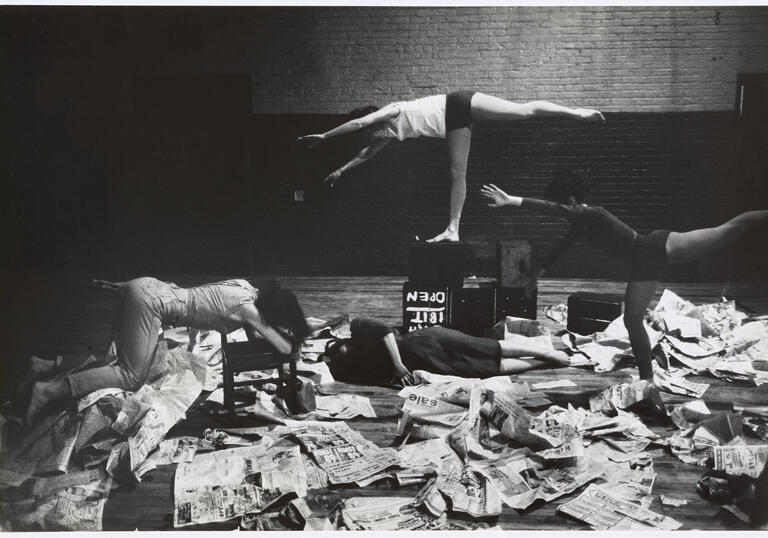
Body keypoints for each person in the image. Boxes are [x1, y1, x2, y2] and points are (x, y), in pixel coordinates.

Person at [481, 172, 768, 380]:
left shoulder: (594, 213)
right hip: (647, 260)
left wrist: (512, 200)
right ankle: (647, 380)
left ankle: (647, 379)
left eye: (565, 207)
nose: (564, 214)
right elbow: (561, 248)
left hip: (659, 245)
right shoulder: (582, 224)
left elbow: (554, 209)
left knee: (734, 227)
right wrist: (537, 276)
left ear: (571, 200)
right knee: (632, 320)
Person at [297, 91, 605, 243]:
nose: (371, 135)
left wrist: (325, 135)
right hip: (452, 125)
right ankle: (453, 229)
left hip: (457, 104)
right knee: (457, 173)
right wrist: (341, 170)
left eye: (370, 131)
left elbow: (362, 122)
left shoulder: (390, 114)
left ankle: (576, 113)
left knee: (523, 113)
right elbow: (366, 154)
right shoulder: (387, 135)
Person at [26, 277, 311, 422]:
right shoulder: (249, 311)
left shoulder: (244, 286)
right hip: (151, 304)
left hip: (146, 285)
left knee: (138, 362)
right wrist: (292, 341)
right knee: (130, 375)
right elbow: (284, 347)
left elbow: (244, 324)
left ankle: (46, 364)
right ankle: (48, 391)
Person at [321, 317, 570, 386]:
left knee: (485, 348)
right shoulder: (343, 370)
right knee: (482, 370)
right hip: (424, 365)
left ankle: (546, 353)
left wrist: (397, 364)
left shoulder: (356, 327)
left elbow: (386, 330)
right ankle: (541, 364)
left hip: (422, 342)